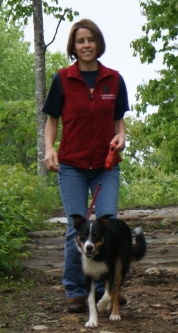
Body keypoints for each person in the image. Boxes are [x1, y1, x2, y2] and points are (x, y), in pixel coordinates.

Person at [43, 19, 129, 313]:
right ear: (74, 47)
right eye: (80, 41)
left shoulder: (114, 80)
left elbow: (119, 122)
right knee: (75, 227)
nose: (86, 45)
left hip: (106, 165)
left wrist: (121, 138)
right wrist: (49, 149)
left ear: (98, 43)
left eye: (90, 40)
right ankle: (76, 291)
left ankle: (107, 291)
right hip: (72, 165)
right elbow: (52, 120)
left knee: (108, 221)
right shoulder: (63, 78)